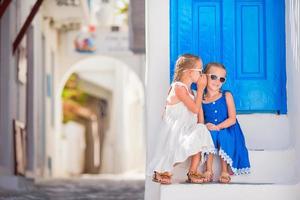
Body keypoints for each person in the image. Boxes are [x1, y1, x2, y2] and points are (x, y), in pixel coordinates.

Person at [147, 54, 215, 184]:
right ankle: (161, 170)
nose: (202, 75)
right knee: (172, 150)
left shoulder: (192, 92)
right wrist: (201, 88)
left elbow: (198, 111)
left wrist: (200, 128)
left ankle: (193, 171)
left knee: (201, 131)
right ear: (190, 72)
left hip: (187, 129)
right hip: (175, 131)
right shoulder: (178, 88)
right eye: (200, 71)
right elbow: (194, 109)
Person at [201, 62, 251, 184]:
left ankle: (224, 170)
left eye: (221, 79)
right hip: (211, 129)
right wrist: (206, 126)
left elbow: (232, 119)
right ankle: (208, 170)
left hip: (228, 128)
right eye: (213, 77)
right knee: (209, 134)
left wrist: (218, 127)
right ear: (204, 76)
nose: (217, 81)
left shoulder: (226, 95)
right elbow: (201, 120)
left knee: (223, 135)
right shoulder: (201, 99)